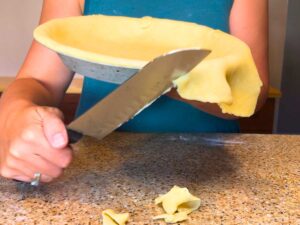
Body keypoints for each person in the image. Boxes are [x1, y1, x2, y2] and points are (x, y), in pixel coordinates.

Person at [0, 0, 269, 183]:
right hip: (97, 167)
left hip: (210, 171)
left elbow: (251, 90)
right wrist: (13, 114)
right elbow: (38, 80)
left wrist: (172, 81)